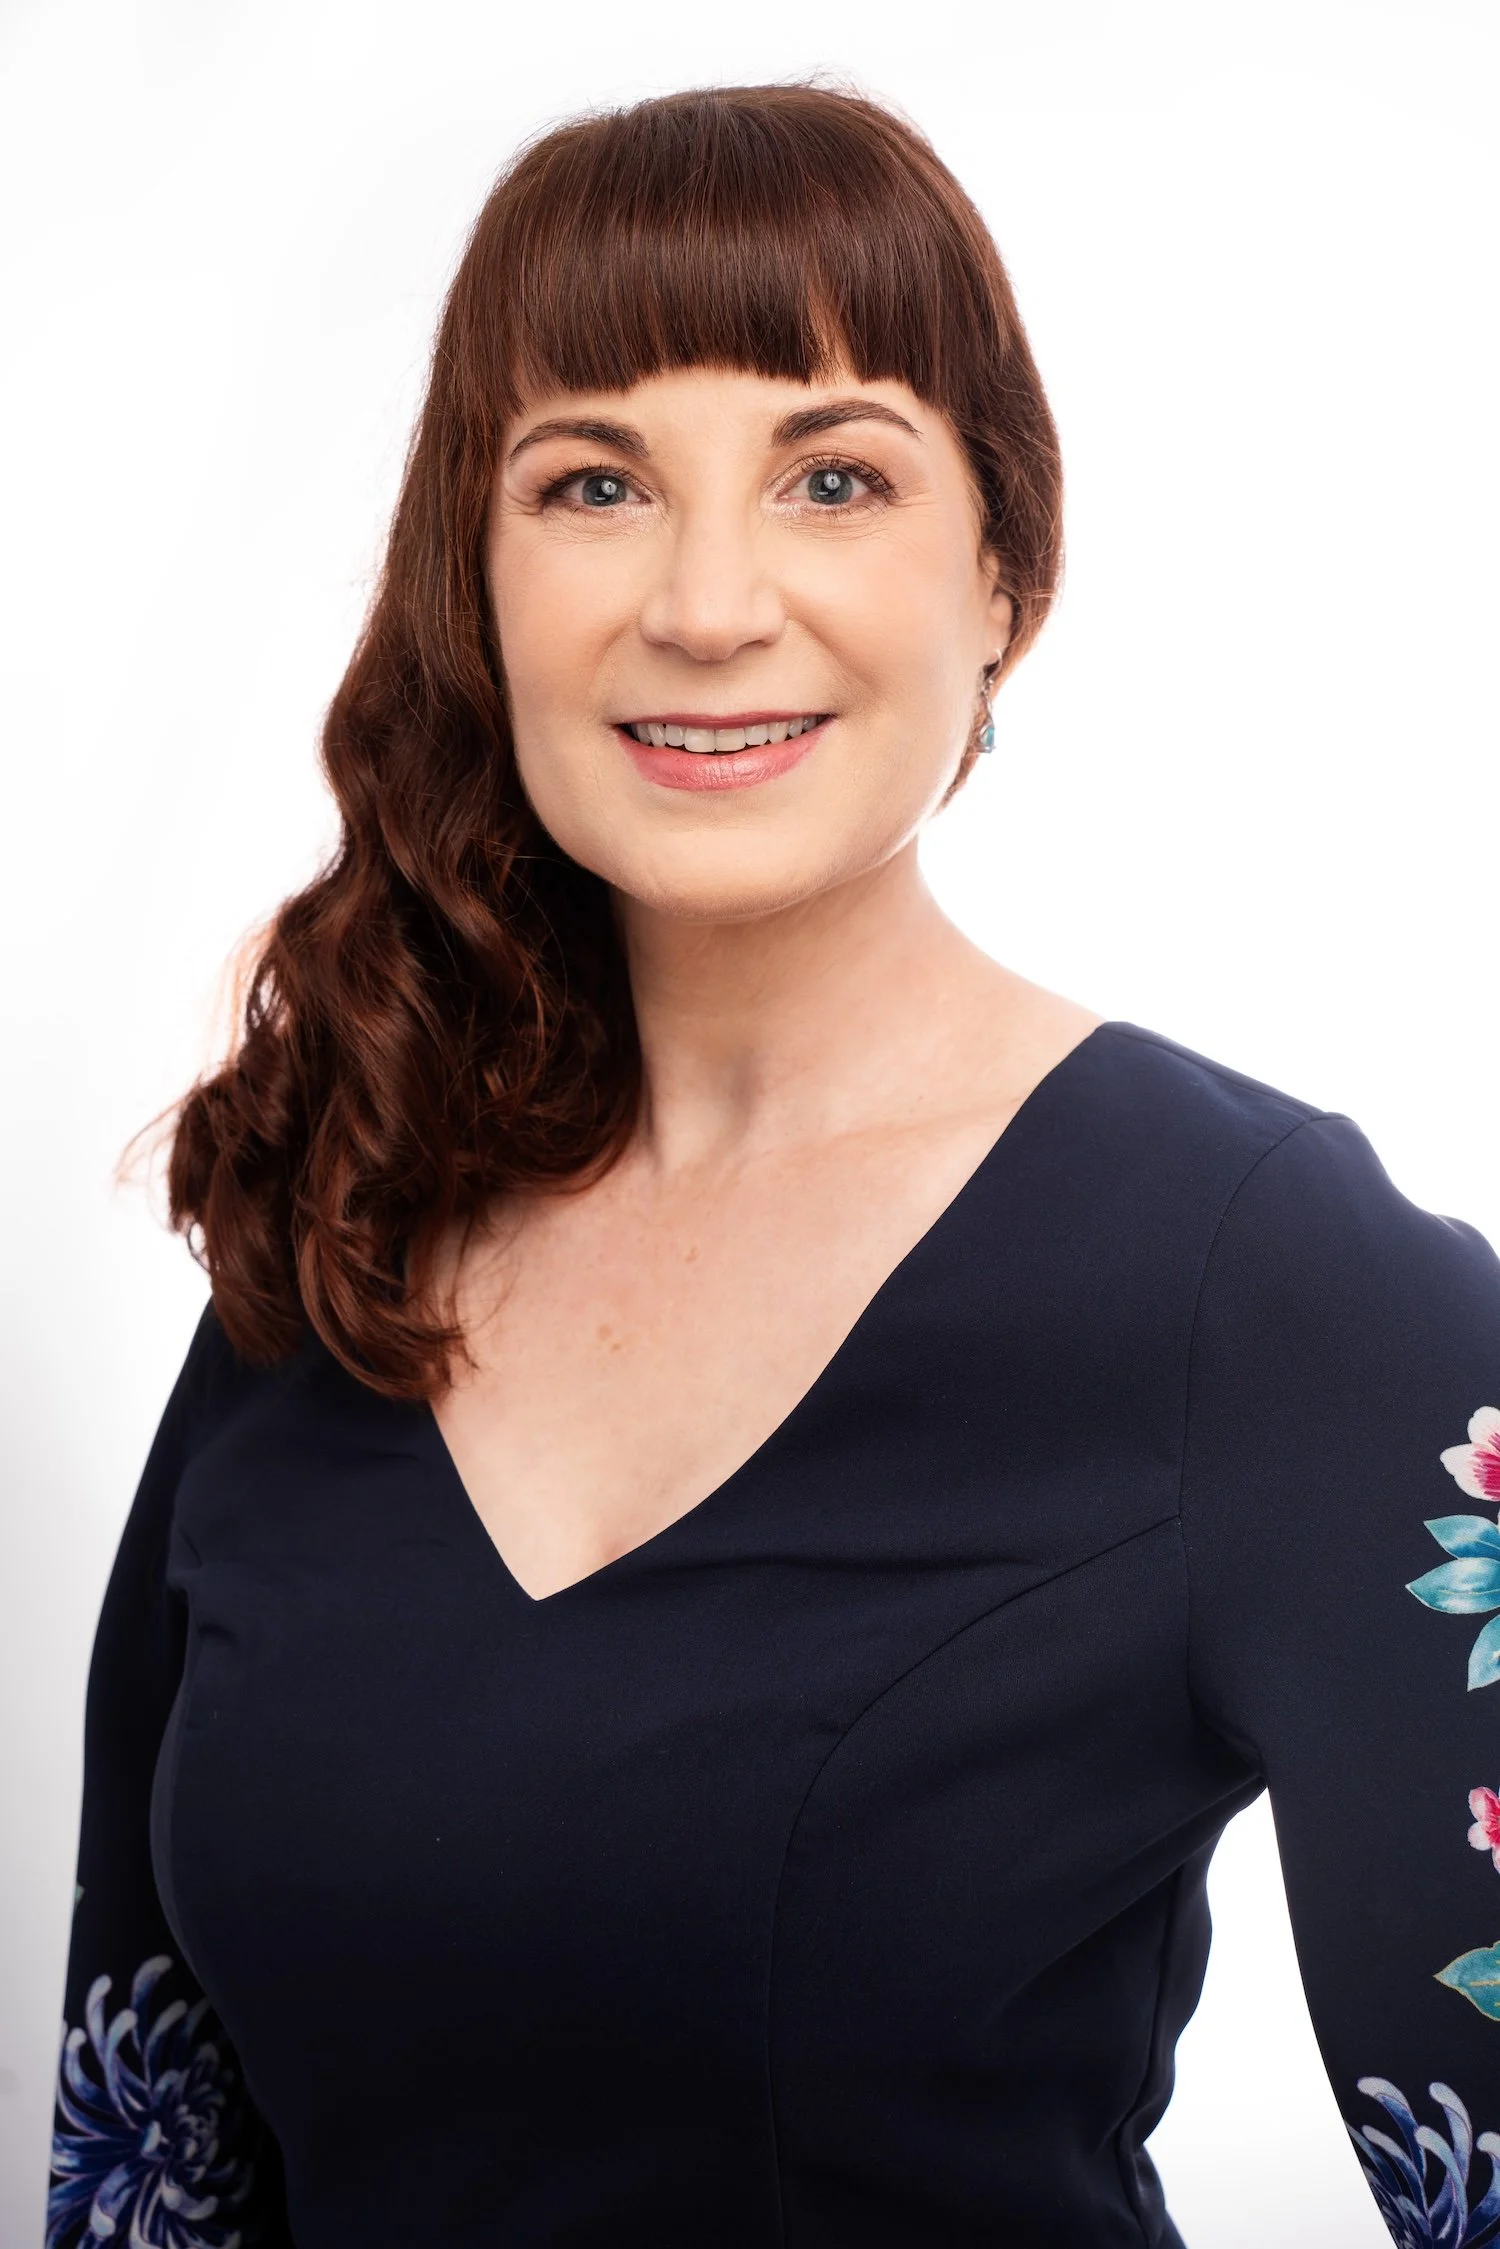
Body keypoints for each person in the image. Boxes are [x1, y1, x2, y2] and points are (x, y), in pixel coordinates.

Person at [45, 81, 1500, 2249]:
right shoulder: (345, 1229)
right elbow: (143, 2151)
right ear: (485, 572)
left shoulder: (1278, 1287)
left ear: (1002, 572)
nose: (709, 603)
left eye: (833, 475)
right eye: (596, 480)